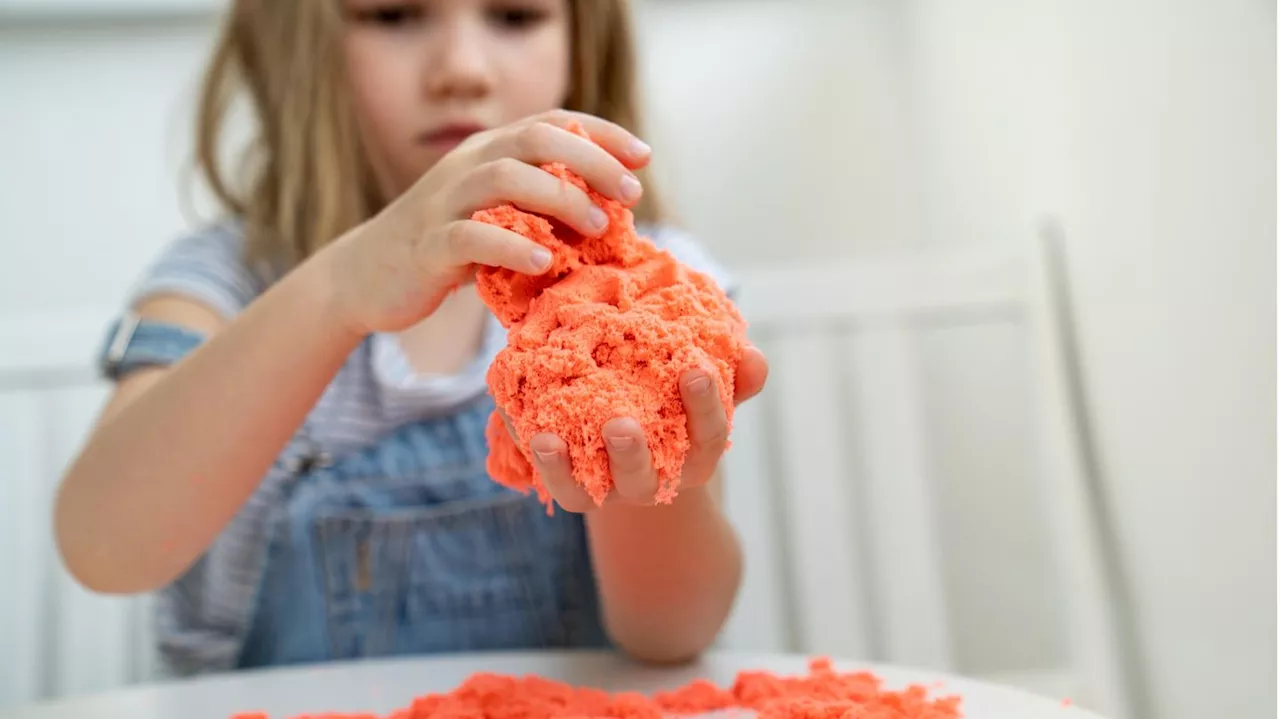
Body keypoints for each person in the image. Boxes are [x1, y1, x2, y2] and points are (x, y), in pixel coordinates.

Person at [52, 0, 769, 677]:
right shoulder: (225, 284)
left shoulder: (657, 288)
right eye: (394, 13)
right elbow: (103, 548)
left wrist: (635, 471)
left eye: (515, 15)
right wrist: (335, 291)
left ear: (585, 38)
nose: (461, 67)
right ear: (302, 41)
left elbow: (671, 634)